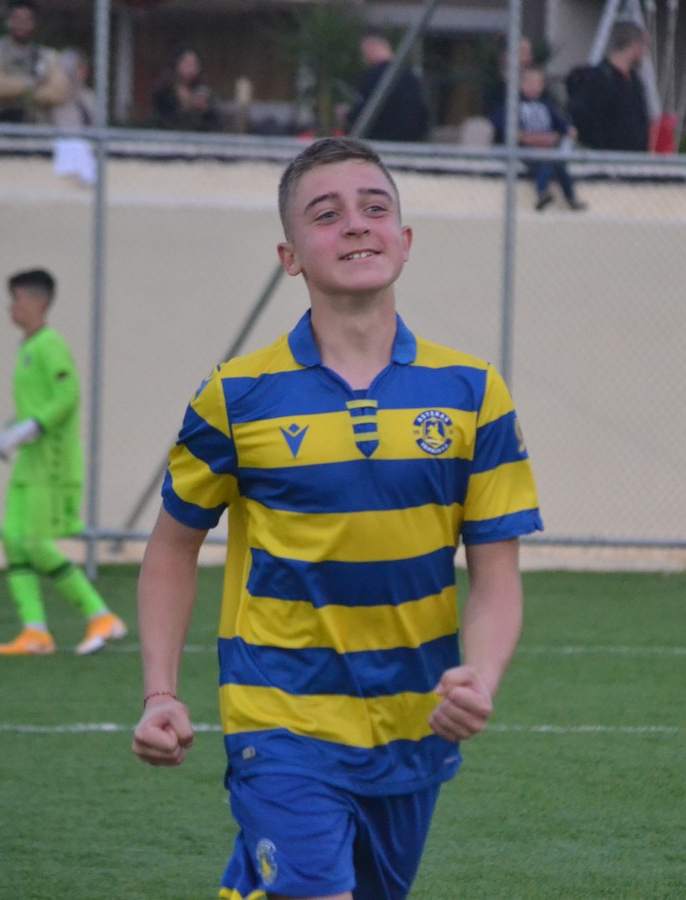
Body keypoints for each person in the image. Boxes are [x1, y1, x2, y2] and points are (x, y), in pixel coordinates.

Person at [132, 137, 542, 899]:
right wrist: (162, 693)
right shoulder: (235, 395)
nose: (355, 223)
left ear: (405, 240)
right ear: (289, 257)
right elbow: (171, 549)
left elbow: (497, 574)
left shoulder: (473, 392)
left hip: (413, 727)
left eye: (374, 208)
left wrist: (480, 678)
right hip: (279, 717)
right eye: (326, 214)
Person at [0, 268, 126, 656]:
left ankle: (102, 616)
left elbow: (66, 397)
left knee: (37, 544)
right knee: (12, 539)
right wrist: (6, 436)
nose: (12, 306)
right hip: (29, 463)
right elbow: (36, 407)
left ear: (40, 301)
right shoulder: (28, 347)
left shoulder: (50, 344)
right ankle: (35, 632)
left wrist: (24, 431)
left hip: (52, 464)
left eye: (18, 298)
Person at [492, 66, 587, 211]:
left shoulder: (546, 105)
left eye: (538, 83)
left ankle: (571, 198)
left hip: (545, 149)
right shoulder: (513, 106)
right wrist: (530, 137)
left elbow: (561, 124)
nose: (535, 87)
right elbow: (511, 130)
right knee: (545, 163)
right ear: (522, 84)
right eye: (530, 83)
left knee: (560, 166)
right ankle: (542, 192)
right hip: (525, 151)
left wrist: (567, 129)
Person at [0, 0, 70, 124]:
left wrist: (19, 90)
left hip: (40, 127)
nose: (21, 24)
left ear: (34, 23)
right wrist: (31, 85)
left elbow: (60, 93)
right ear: (7, 21)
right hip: (4, 125)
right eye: (16, 18)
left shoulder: (48, 56)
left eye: (27, 19)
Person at [567, 22, 652, 152]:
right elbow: (582, 116)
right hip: (607, 155)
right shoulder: (600, 78)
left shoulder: (634, 81)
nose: (645, 53)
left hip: (632, 156)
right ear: (635, 47)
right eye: (644, 47)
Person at [343, 31, 429, 142]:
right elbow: (421, 113)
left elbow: (362, 113)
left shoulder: (373, 77)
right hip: (409, 143)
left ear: (370, 47)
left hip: (379, 142)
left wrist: (347, 115)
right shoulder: (410, 76)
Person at [52, 48, 98, 186]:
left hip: (88, 143)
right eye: (78, 69)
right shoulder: (56, 95)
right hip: (64, 142)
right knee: (73, 144)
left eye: (83, 69)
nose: (82, 73)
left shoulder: (89, 97)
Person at [151, 48, 220, 132]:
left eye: (194, 64)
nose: (191, 69)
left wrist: (205, 109)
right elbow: (161, 120)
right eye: (187, 64)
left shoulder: (203, 92)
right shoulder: (164, 91)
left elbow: (215, 124)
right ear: (176, 65)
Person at [482, 35, 534, 120]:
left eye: (529, 52)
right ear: (507, 55)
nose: (529, 57)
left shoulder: (539, 89)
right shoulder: (496, 89)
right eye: (522, 52)